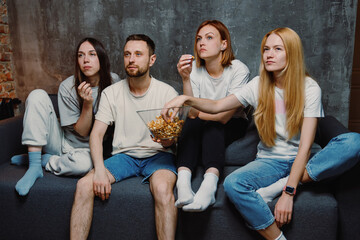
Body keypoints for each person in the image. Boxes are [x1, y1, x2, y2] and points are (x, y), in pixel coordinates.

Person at [162, 27, 360, 240]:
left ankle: (279, 185)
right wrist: (186, 99)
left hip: (300, 159)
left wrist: (287, 191)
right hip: (269, 162)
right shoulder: (258, 84)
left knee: (354, 142)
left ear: (291, 53)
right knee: (232, 184)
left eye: (277, 49)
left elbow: (305, 145)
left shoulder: (309, 88)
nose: (269, 54)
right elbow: (218, 106)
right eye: (266, 49)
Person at [70, 34, 178, 240]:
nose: (131, 59)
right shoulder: (111, 93)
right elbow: (96, 135)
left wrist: (165, 139)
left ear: (152, 60)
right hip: (124, 157)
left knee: (163, 189)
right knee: (84, 185)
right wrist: (100, 170)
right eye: (127, 54)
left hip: (158, 155)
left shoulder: (167, 93)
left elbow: (171, 142)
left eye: (138, 54)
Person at [11, 37, 120, 196]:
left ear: (101, 58)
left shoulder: (114, 82)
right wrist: (87, 104)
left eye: (92, 54)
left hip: (88, 150)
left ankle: (44, 160)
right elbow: (81, 132)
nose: (85, 60)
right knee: (37, 95)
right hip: (61, 142)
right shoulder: (68, 86)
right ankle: (34, 166)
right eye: (81, 55)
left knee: (83, 165)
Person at [175, 20, 250, 212]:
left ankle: (209, 186)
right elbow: (190, 112)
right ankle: (183, 185)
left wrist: (195, 113)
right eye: (199, 38)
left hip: (233, 122)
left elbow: (224, 116)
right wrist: (185, 78)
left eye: (209, 38)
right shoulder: (194, 71)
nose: (202, 43)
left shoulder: (239, 69)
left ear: (223, 44)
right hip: (200, 121)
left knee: (212, 125)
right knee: (191, 125)